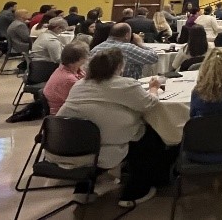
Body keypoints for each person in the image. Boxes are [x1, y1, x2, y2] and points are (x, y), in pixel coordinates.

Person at [58, 48, 174, 208]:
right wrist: (154, 88)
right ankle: (137, 189)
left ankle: (83, 188)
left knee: (94, 131)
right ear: (119, 66)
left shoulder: (79, 85)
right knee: (147, 135)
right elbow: (149, 104)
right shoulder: (125, 85)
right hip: (102, 149)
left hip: (64, 146)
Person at [89, 22, 159, 79]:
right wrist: (140, 43)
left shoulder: (96, 48)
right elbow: (154, 57)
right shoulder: (128, 48)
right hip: (127, 86)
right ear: (127, 35)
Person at [43, 42, 88, 115]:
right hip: (64, 115)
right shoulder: (69, 79)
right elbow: (82, 100)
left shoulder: (67, 68)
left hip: (70, 107)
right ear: (81, 59)